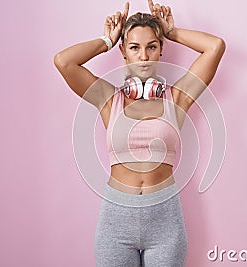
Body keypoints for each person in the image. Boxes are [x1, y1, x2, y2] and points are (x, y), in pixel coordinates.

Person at [54, 0, 225, 265]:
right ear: (124, 51)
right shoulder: (109, 100)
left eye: (151, 46)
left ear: (160, 51)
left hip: (165, 222)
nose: (143, 56)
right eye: (134, 47)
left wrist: (172, 32)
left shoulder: (176, 99)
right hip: (116, 222)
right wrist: (106, 40)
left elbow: (215, 47)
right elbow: (64, 62)